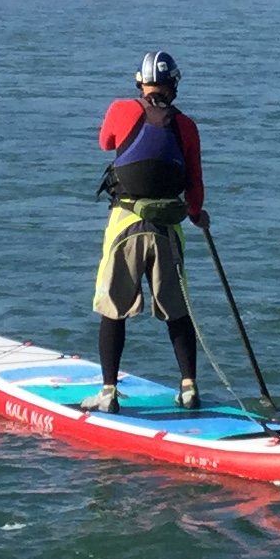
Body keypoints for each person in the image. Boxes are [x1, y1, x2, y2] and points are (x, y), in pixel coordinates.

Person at [90, 49, 209, 412]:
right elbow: (194, 184)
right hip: (167, 230)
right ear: (173, 85)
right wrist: (196, 214)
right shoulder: (186, 125)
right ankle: (189, 388)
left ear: (140, 82)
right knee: (178, 310)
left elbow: (106, 143)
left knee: (113, 309)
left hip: (125, 222)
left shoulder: (120, 109)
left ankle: (108, 393)